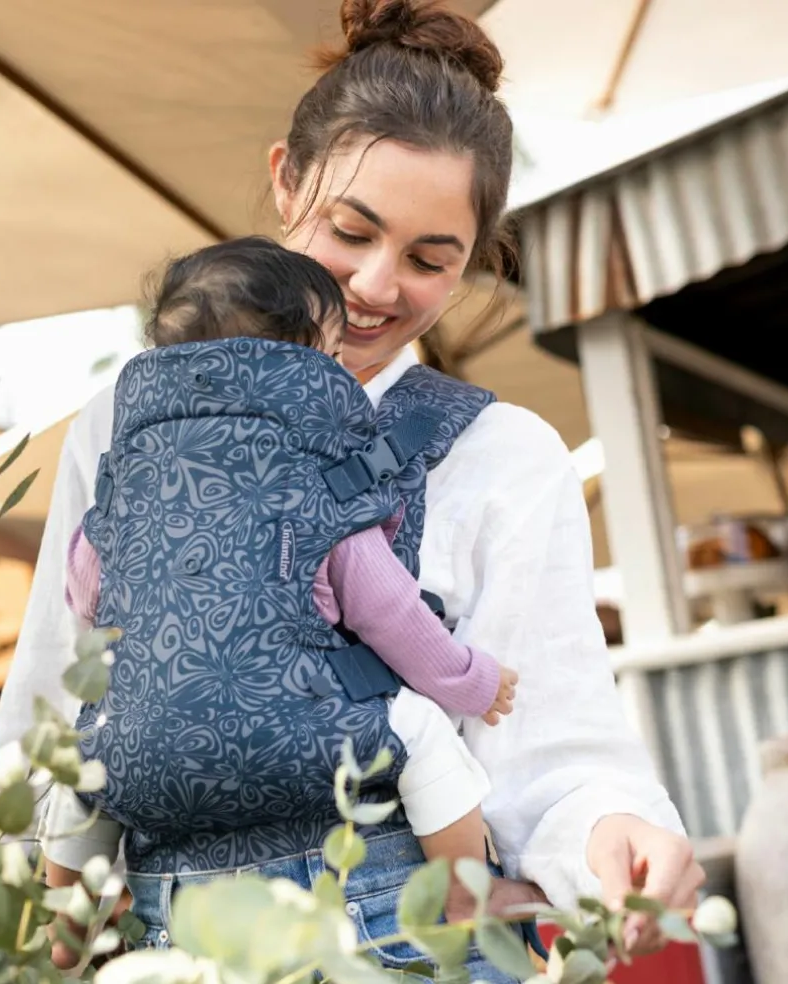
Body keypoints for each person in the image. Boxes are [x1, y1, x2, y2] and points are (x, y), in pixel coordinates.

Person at [0, 0, 704, 973]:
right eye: (351, 229)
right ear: (287, 181)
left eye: (427, 259)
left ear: (473, 263)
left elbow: (551, 754)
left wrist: (616, 832)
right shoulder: (126, 421)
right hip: (162, 944)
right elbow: (51, 708)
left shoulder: (503, 454)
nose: (373, 284)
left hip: (404, 942)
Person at [39, 237, 521, 962]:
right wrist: (473, 680)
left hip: (153, 760)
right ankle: (459, 887)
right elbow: (391, 614)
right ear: (298, 368)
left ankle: (64, 924)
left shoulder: (128, 485)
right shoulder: (314, 484)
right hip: (307, 745)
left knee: (87, 766)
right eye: (330, 355)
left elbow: (83, 593)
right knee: (419, 730)